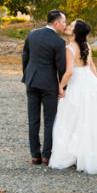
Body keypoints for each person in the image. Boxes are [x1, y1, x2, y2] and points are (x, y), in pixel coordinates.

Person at [48, 19, 97, 174]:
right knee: (91, 119)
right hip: (89, 82)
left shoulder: (70, 48)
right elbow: (91, 67)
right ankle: (92, 155)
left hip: (77, 84)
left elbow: (69, 71)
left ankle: (75, 155)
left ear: (76, 32)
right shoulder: (87, 46)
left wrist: (60, 86)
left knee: (73, 119)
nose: (68, 27)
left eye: (71, 26)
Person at [21, 9, 67, 165]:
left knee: (33, 119)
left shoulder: (32, 34)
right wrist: (63, 87)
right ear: (56, 23)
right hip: (48, 84)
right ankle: (47, 155)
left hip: (32, 81)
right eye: (64, 22)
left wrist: (27, 75)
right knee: (50, 120)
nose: (65, 25)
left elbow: (25, 57)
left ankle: (35, 155)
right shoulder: (59, 42)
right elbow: (61, 67)